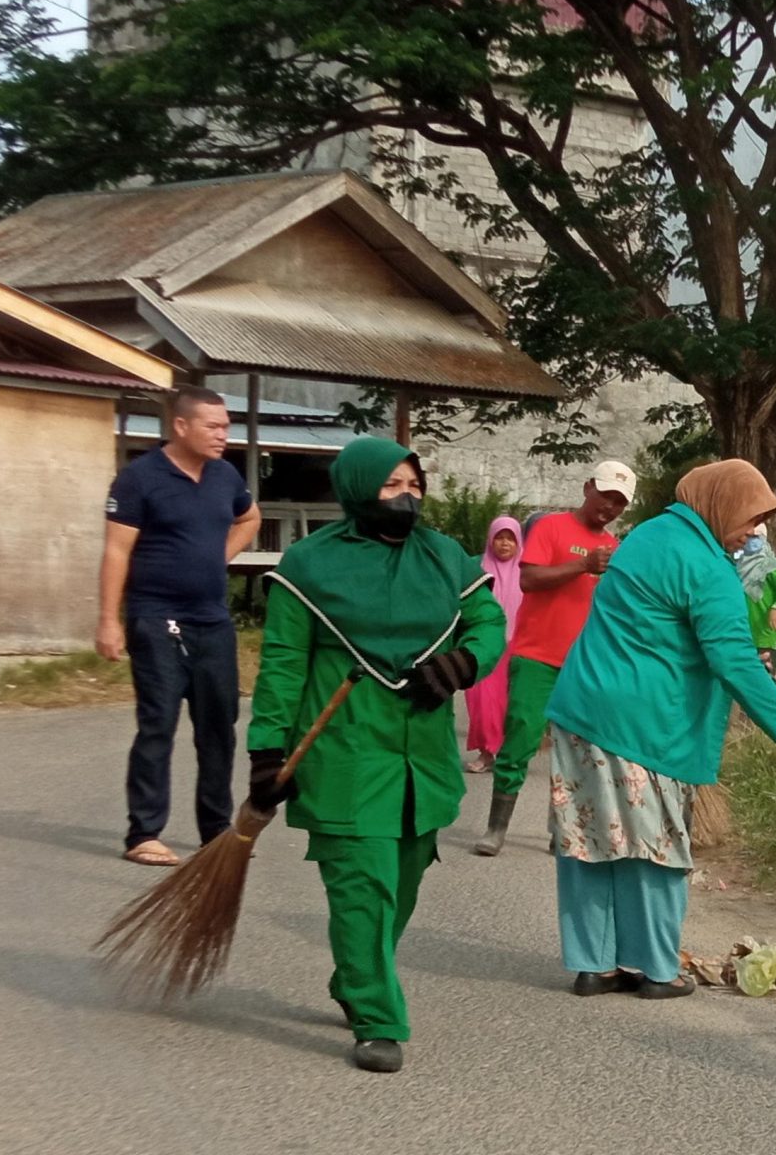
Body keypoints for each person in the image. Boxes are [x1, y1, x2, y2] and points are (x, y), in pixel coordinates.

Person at [247, 437, 506, 1073]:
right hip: (344, 748)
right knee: (363, 883)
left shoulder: (444, 558)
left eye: (414, 484)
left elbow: (489, 623)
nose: (407, 496)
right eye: (391, 485)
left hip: (421, 755)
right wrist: (266, 750)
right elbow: (282, 663)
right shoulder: (308, 566)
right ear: (359, 487)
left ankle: (357, 976)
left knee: (404, 880)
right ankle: (376, 1014)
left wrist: (464, 661)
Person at [544, 460, 776, 996]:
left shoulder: (649, 534)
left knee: (592, 839)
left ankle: (596, 964)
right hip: (645, 724)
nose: (750, 533)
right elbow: (735, 658)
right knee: (655, 847)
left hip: (583, 708)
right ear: (719, 503)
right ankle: (653, 969)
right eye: (748, 519)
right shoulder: (706, 566)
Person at [97, 386, 262, 868]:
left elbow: (249, 517)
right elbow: (116, 552)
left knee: (219, 729)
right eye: (213, 426)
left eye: (226, 426)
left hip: (212, 621)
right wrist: (109, 620)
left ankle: (215, 830)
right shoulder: (139, 479)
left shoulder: (225, 475)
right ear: (181, 426)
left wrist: (218, 556)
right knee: (158, 725)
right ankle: (143, 832)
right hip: (155, 617)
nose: (222, 435)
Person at [477, 461, 635, 855]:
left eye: (619, 502)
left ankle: (560, 828)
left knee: (576, 752)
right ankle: (496, 830)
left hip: (585, 665)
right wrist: (583, 565)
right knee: (520, 739)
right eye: (605, 495)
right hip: (536, 656)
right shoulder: (550, 528)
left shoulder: (617, 549)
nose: (609, 507)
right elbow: (528, 580)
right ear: (587, 488)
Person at [460, 516, 524, 773]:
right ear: (491, 539)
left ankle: (509, 754)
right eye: (499, 537)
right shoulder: (477, 567)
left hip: (518, 645)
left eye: (510, 538)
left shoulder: (529, 570)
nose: (505, 543)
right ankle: (486, 752)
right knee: (482, 699)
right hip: (484, 644)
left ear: (518, 542)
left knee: (512, 703)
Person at [734, 520, 776, 669]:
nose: (750, 541)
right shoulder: (738, 563)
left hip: (763, 631)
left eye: (755, 537)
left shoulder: (770, 565)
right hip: (742, 628)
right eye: (748, 537)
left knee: (762, 673)